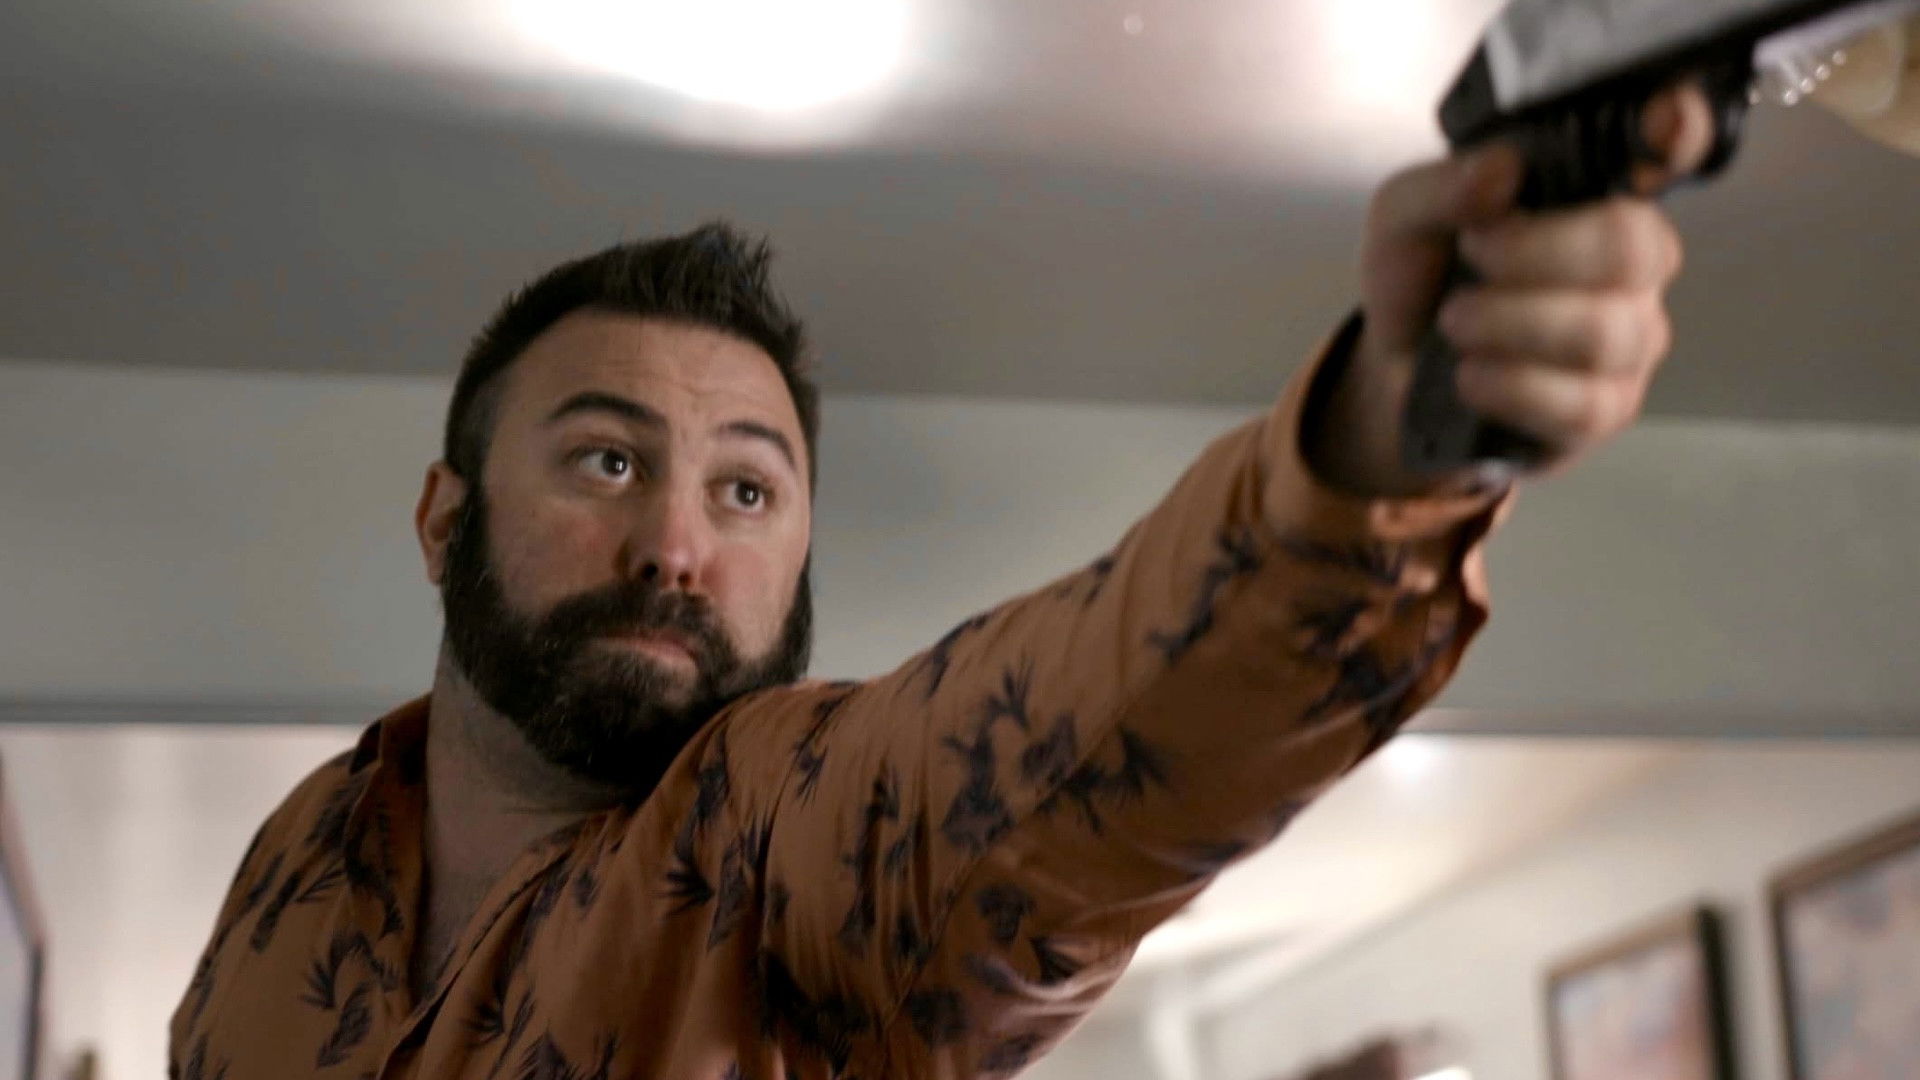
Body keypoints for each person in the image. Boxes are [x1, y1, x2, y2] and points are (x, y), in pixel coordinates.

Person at [169, 85, 1715, 1080]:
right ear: (444, 522)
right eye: (608, 461)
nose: (677, 549)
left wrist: (1386, 436)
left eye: (747, 489)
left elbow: (1052, 754)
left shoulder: (775, 844)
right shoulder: (298, 860)